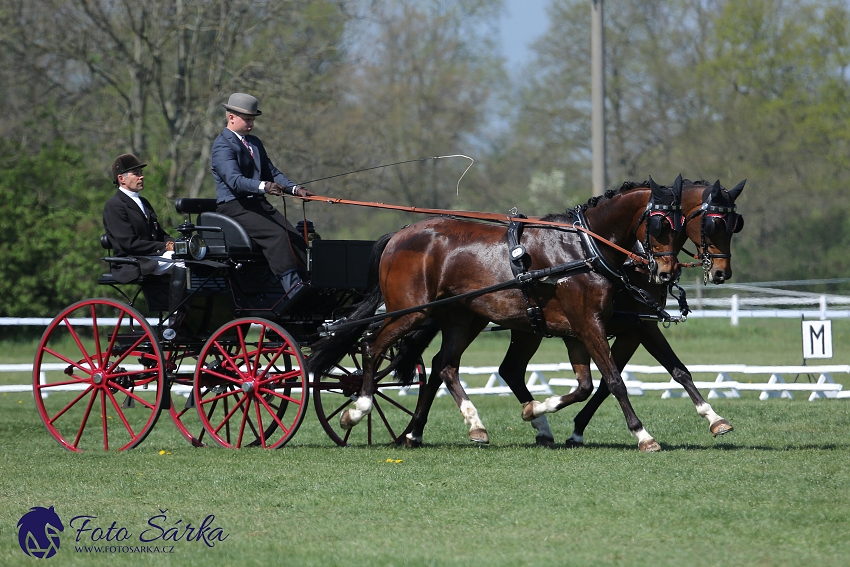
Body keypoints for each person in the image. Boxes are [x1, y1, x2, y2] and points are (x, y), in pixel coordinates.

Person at [210, 92, 315, 309]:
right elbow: (235, 180)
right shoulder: (222, 146)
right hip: (234, 207)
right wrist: (263, 186)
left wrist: (295, 188)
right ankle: (293, 291)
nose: (251, 124)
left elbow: (271, 171)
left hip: (256, 205)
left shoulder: (254, 143)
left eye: (253, 120)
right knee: (277, 237)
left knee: (294, 236)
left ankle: (309, 285)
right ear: (231, 118)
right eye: (247, 119)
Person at [102, 153, 187, 336]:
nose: (142, 176)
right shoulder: (114, 205)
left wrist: (177, 243)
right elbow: (128, 243)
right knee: (182, 262)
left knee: (188, 257)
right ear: (121, 179)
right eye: (136, 173)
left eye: (141, 172)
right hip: (133, 260)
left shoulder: (144, 203)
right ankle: (174, 322)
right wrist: (165, 247)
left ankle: (190, 316)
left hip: (151, 255)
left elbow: (159, 234)